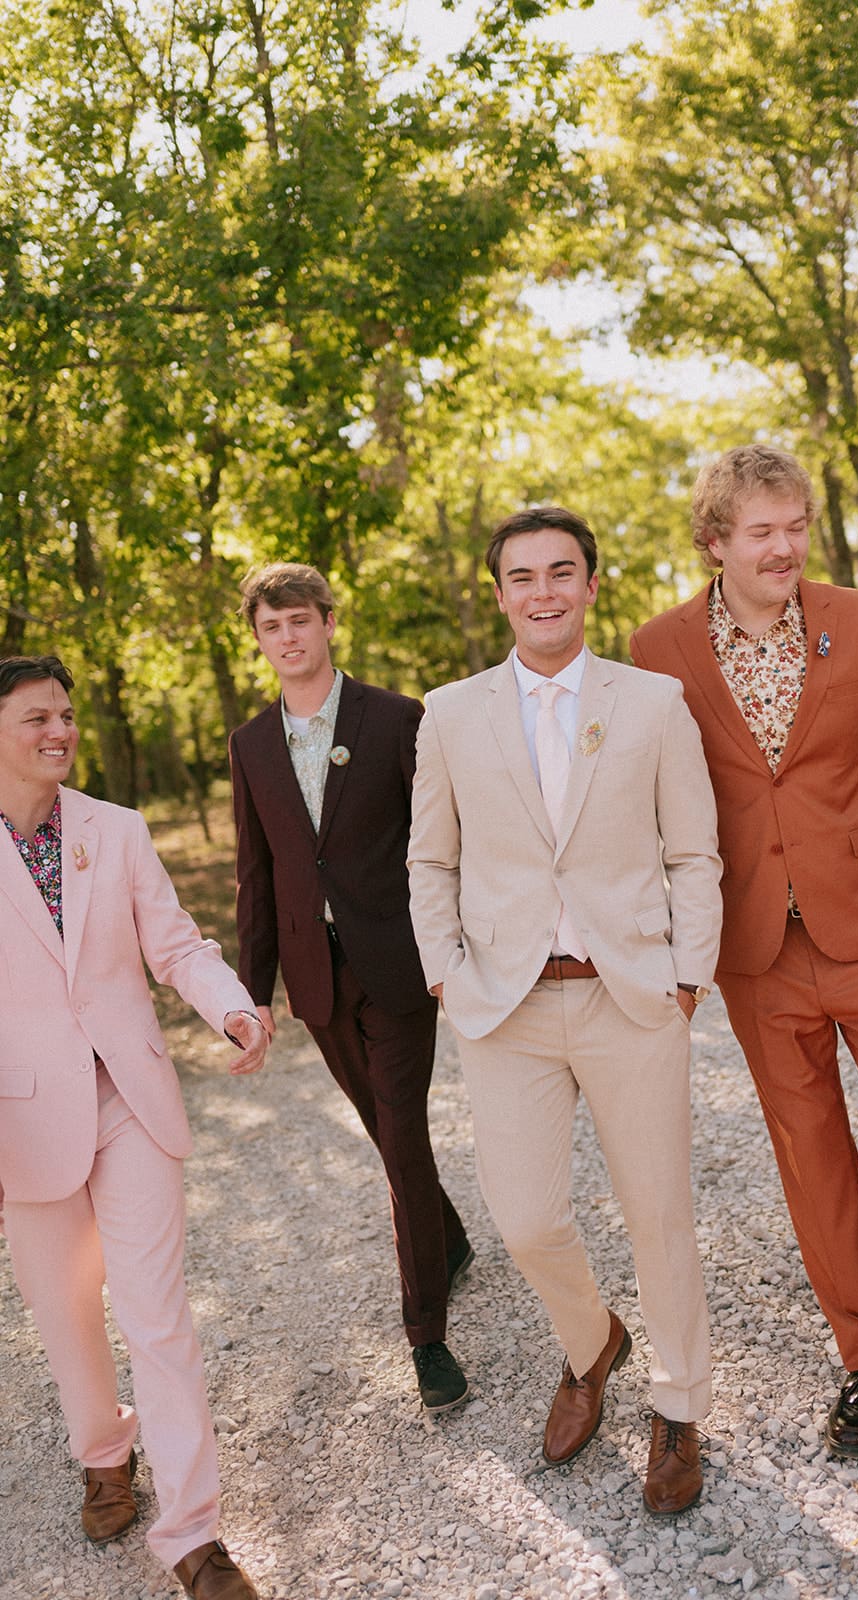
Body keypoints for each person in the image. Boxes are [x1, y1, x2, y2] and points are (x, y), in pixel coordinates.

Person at [631, 445, 858, 1459]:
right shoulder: (657, 650)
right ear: (715, 541)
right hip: (752, 946)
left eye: (796, 527)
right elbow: (649, 800)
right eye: (762, 532)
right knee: (807, 1151)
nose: (785, 548)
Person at [407, 506, 722, 1514]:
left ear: (591, 584)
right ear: (498, 594)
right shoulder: (450, 713)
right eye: (523, 576)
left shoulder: (656, 701)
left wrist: (688, 976)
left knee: (658, 1213)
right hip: (505, 1007)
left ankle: (678, 1405)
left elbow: (694, 853)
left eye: (562, 572)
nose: (543, 591)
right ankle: (592, 1343)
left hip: (631, 998)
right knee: (528, 1217)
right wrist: (447, 974)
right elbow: (430, 860)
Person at [0, 655, 267, 1600]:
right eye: (38, 718)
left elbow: (178, 944)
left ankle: (194, 1536)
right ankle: (102, 1451)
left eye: (66, 716)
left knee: (158, 1315)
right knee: (65, 1312)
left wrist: (231, 1008)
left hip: (131, 1103)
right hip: (20, 1123)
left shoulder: (114, 830)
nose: (60, 731)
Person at [229, 562, 472, 1413]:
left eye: (300, 620)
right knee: (380, 1127)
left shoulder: (398, 717)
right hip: (314, 976)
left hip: (398, 963)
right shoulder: (250, 745)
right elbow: (254, 876)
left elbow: (440, 841)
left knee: (401, 1136)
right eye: (271, 626)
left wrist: (454, 944)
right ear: (257, 639)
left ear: (329, 622)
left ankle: (427, 1338)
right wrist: (251, 994)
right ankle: (448, 1236)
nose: (288, 637)